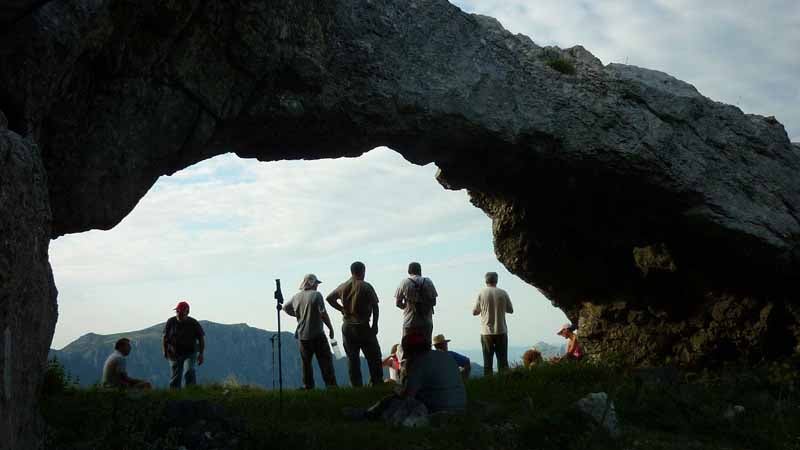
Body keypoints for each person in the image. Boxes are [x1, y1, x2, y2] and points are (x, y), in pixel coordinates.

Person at [358, 332, 466, 423]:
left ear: (410, 351)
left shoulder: (419, 362)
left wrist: (395, 387)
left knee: (393, 400)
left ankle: (367, 415)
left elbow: (407, 395)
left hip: (438, 410)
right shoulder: (446, 356)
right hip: (461, 405)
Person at [326, 261, 383, 386]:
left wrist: (341, 309)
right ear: (362, 271)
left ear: (351, 272)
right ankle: (377, 383)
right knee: (374, 356)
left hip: (347, 326)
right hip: (363, 326)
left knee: (352, 359)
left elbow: (329, 298)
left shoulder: (343, 286)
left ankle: (356, 386)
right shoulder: (365, 286)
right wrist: (375, 325)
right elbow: (375, 306)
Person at [283, 274, 337, 389]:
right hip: (317, 335)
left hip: (302, 336)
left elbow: (285, 308)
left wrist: (298, 315)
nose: (317, 285)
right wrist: (330, 327)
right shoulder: (316, 295)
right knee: (325, 361)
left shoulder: (296, 297)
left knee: (306, 364)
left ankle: (308, 386)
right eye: (316, 283)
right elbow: (323, 313)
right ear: (312, 283)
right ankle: (331, 386)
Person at [472, 271, 513, 376]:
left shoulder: (481, 293)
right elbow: (510, 310)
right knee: (503, 361)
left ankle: (489, 385)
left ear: (486, 281)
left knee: (487, 362)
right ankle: (505, 383)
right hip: (501, 330)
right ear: (496, 280)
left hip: (486, 332)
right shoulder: (503, 293)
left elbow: (474, 312)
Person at [162, 301, 205, 389]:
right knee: (176, 375)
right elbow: (165, 337)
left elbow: (201, 338)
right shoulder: (171, 322)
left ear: (187, 312)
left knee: (189, 371)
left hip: (190, 352)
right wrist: (165, 351)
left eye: (181, 312)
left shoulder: (193, 323)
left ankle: (191, 392)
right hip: (174, 353)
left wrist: (201, 354)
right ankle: (174, 395)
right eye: (177, 311)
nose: (178, 314)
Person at [395, 262, 438, 341]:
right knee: (426, 349)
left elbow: (398, 303)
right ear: (420, 271)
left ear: (409, 271)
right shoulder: (428, 282)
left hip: (410, 322)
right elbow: (434, 302)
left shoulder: (404, 283)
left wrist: (407, 306)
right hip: (426, 322)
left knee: (408, 348)